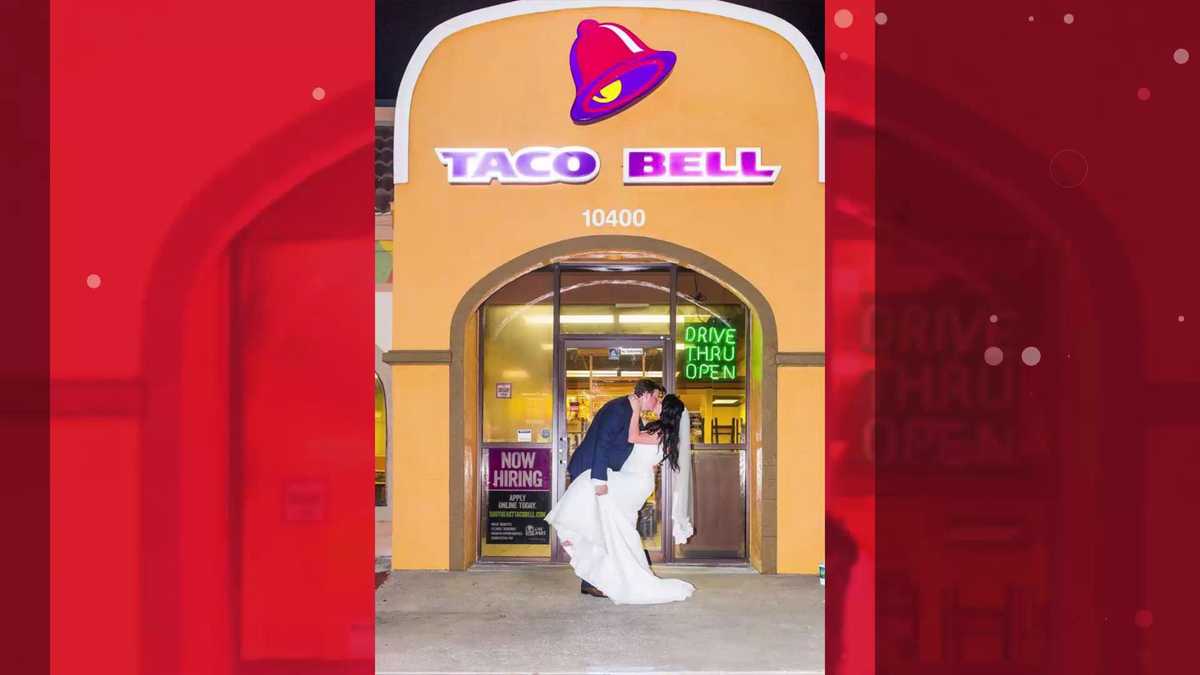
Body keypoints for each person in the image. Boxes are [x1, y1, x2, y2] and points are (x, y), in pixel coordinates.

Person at [545, 385, 696, 605]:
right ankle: (606, 574)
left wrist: (634, 409)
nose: (657, 403)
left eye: (661, 402)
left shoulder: (659, 432)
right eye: (656, 398)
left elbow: (632, 437)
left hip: (633, 483)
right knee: (615, 527)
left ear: (667, 411)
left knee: (592, 489)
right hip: (632, 479)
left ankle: (603, 567)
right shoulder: (658, 431)